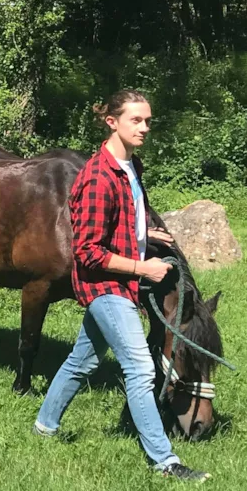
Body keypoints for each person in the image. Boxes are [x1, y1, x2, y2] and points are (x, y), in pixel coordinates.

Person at [33, 89, 208, 482]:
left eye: (147, 120)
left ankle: (44, 426)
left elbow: (124, 219)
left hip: (122, 284)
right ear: (111, 122)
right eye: (136, 120)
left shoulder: (131, 166)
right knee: (141, 369)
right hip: (106, 288)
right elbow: (88, 253)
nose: (144, 127)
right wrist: (142, 268)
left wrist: (148, 235)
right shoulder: (97, 177)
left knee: (82, 362)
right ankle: (166, 462)